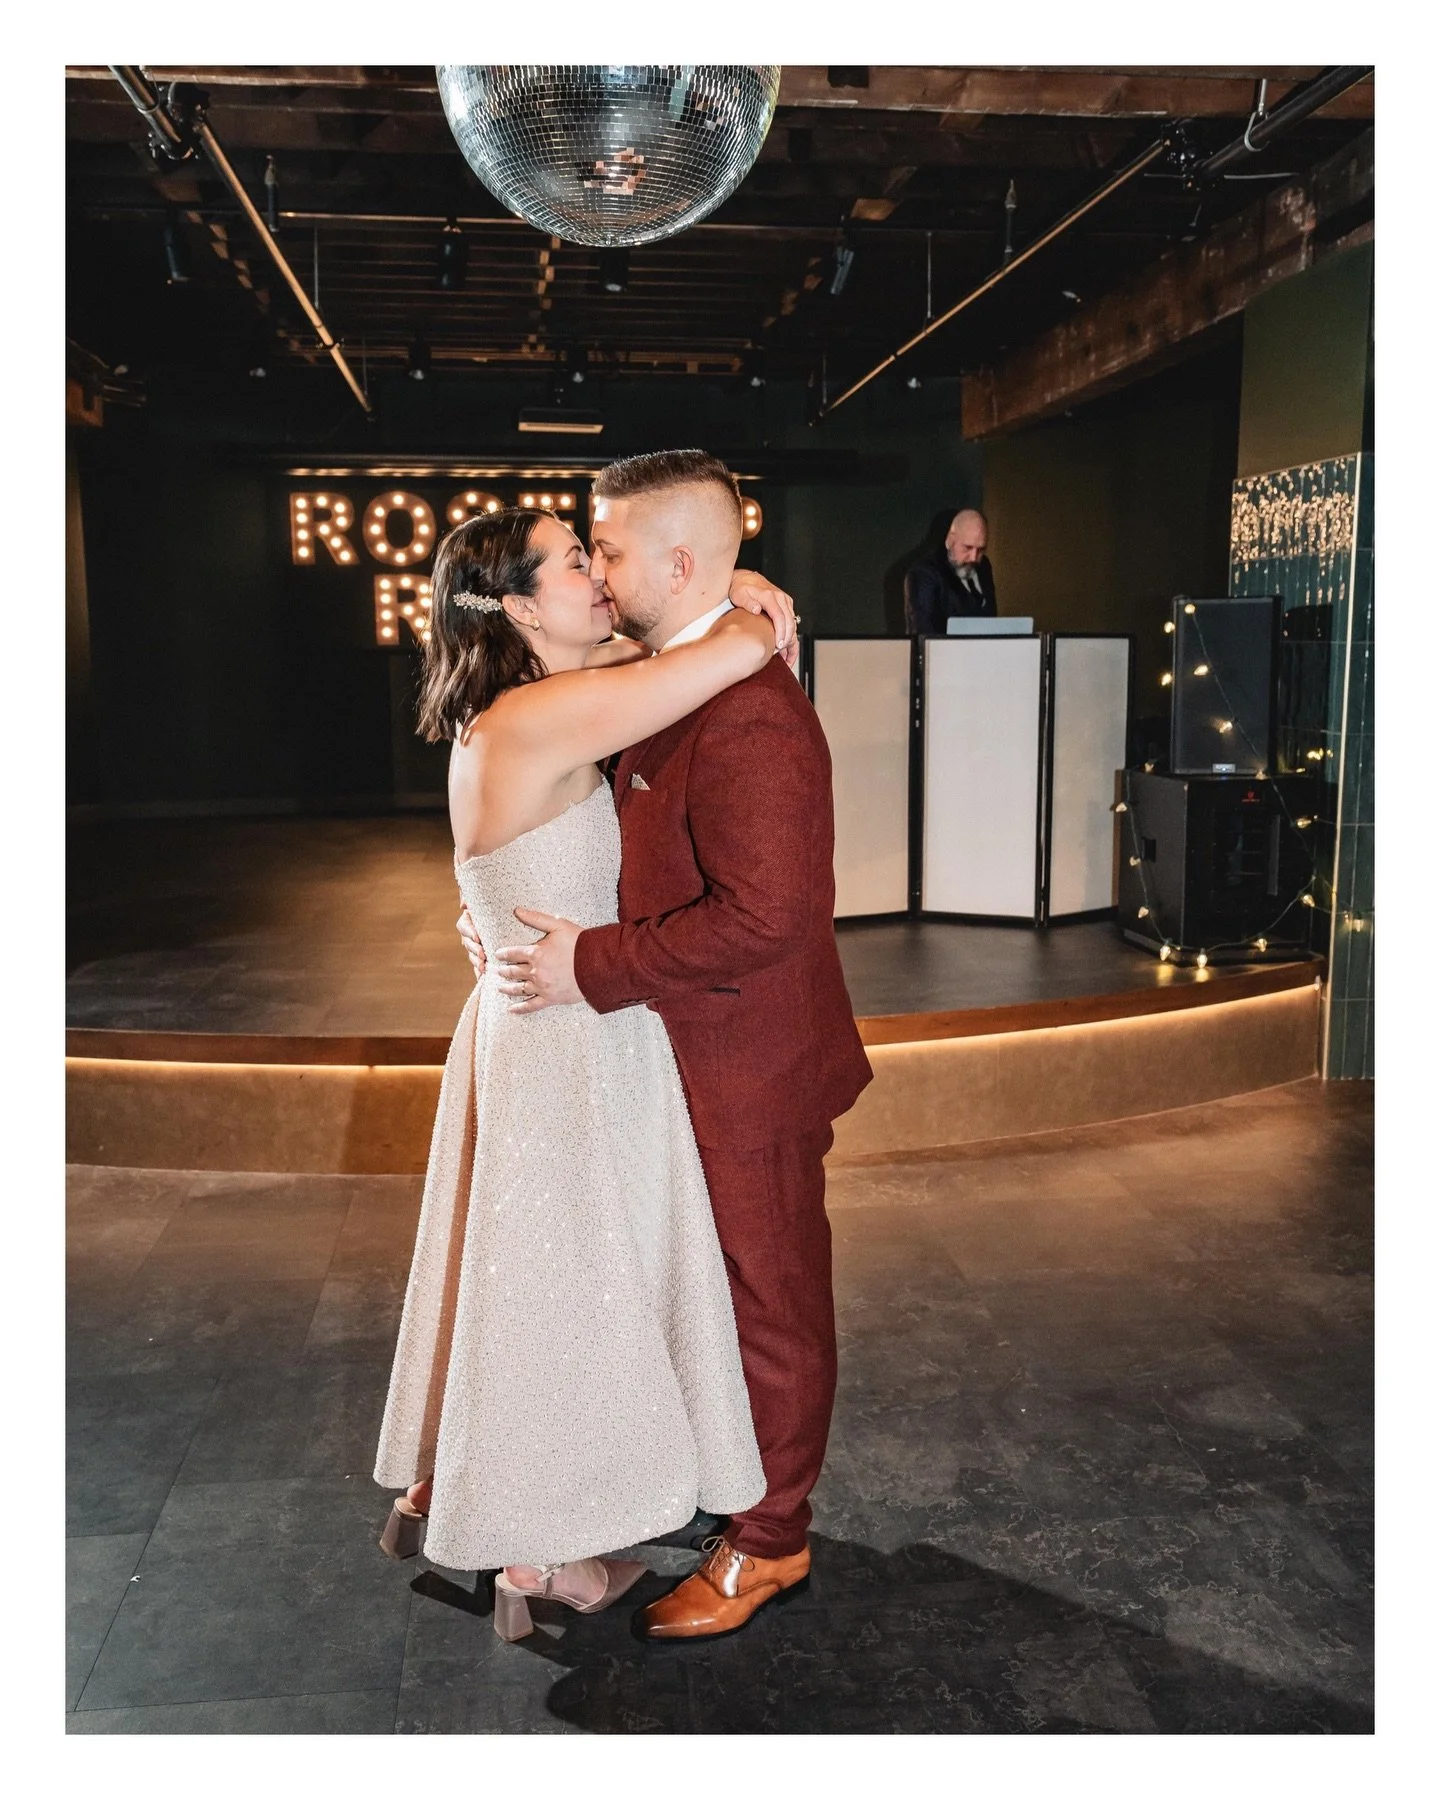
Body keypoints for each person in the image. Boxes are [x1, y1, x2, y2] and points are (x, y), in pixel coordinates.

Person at [374, 500, 802, 1643]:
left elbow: (654, 643)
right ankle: (538, 1554)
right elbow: (724, 649)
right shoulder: (548, 713)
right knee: (568, 1294)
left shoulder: (517, 709)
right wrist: (751, 596)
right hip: (566, 1041)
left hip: (542, 1026)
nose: (600, 580)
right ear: (517, 603)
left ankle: (454, 1475)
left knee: (531, 1278)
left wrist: (732, 586)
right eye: (577, 562)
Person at [464, 450, 873, 1642]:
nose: (598, 567)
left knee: (771, 1302)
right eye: (582, 552)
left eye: (612, 548)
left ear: (680, 563)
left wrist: (589, 965)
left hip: (747, 1066)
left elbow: (766, 919)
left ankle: (773, 1543)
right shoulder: (676, 673)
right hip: (673, 1057)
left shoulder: (744, 709)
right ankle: (729, 1499)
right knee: (715, 1295)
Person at [903, 506, 997, 632]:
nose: (974, 558)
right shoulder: (923, 573)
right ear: (951, 539)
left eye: (981, 549)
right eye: (967, 547)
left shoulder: (984, 566)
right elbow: (923, 635)